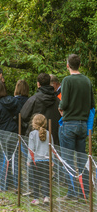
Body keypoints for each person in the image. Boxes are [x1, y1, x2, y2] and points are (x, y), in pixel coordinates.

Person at [57, 54, 95, 201]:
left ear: (68, 65)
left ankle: (72, 193)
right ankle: (84, 193)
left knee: (67, 159)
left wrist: (61, 108)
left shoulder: (67, 80)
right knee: (81, 159)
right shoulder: (87, 81)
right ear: (80, 65)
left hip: (69, 123)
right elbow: (92, 104)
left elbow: (64, 103)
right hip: (83, 124)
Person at [20, 73, 60, 145]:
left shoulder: (34, 99)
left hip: (35, 135)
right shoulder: (57, 100)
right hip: (52, 137)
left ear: (38, 84)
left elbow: (23, 115)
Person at [28, 114, 52, 205]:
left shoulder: (32, 134)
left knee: (35, 180)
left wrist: (29, 160)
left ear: (34, 123)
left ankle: (36, 199)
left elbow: (31, 149)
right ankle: (46, 197)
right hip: (46, 161)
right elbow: (52, 148)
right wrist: (52, 160)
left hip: (36, 161)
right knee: (45, 179)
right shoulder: (49, 133)